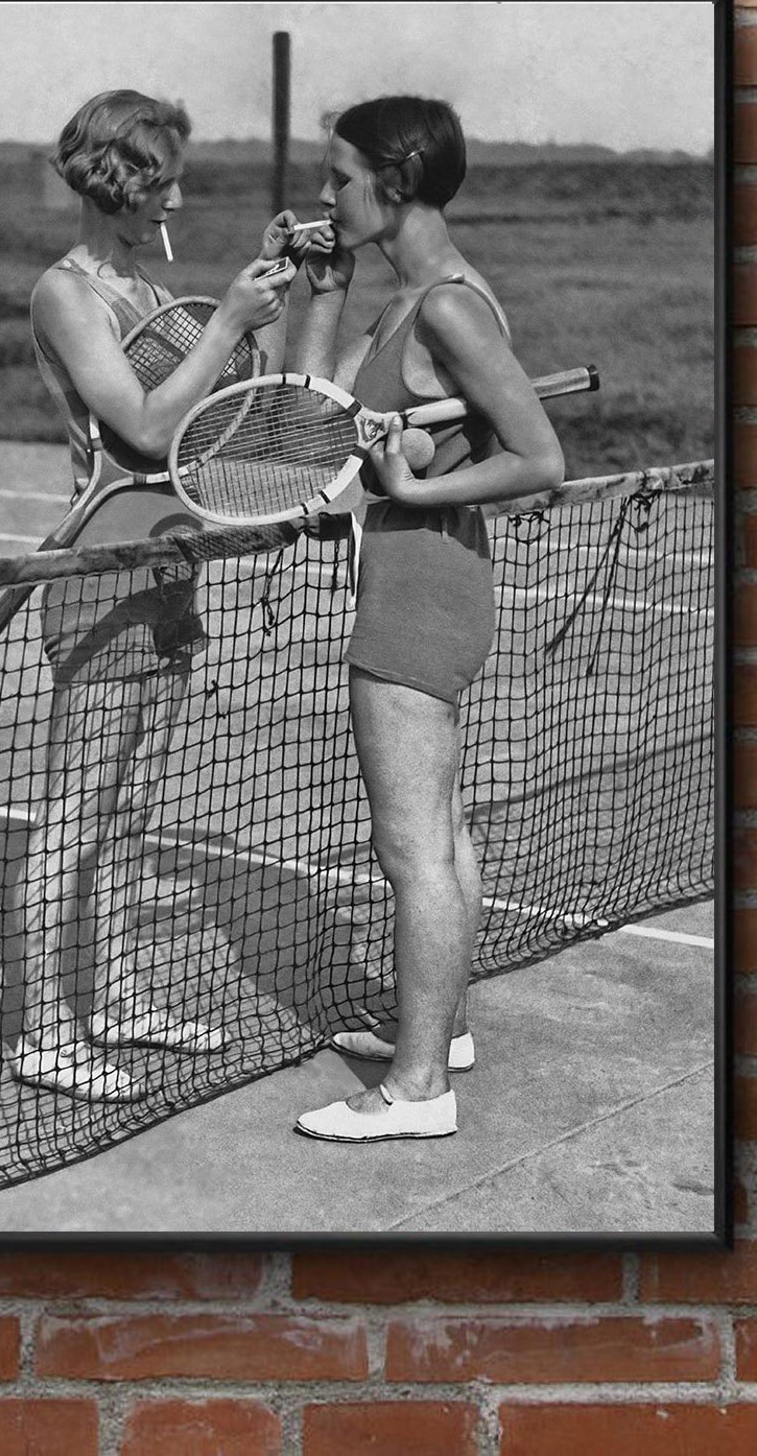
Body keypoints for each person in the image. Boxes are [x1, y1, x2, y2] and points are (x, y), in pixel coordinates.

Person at [284, 95, 567, 1142]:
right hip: (425, 571)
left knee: (410, 848)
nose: (324, 193)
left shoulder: (449, 305)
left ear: (393, 183)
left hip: (421, 580)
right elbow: (305, 413)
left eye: (339, 177)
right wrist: (326, 288)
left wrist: (406, 488)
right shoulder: (413, 295)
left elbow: (538, 461)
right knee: (439, 831)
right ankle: (438, 1032)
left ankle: (415, 1091)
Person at [11, 89, 297, 1102]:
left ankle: (120, 997)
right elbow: (138, 426)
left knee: (131, 807)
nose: (179, 191)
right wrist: (224, 317)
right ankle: (45, 1030)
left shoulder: (137, 280)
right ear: (121, 180)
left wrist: (255, 307)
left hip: (173, 564)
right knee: (74, 812)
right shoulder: (67, 292)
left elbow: (213, 419)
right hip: (101, 576)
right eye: (164, 175)